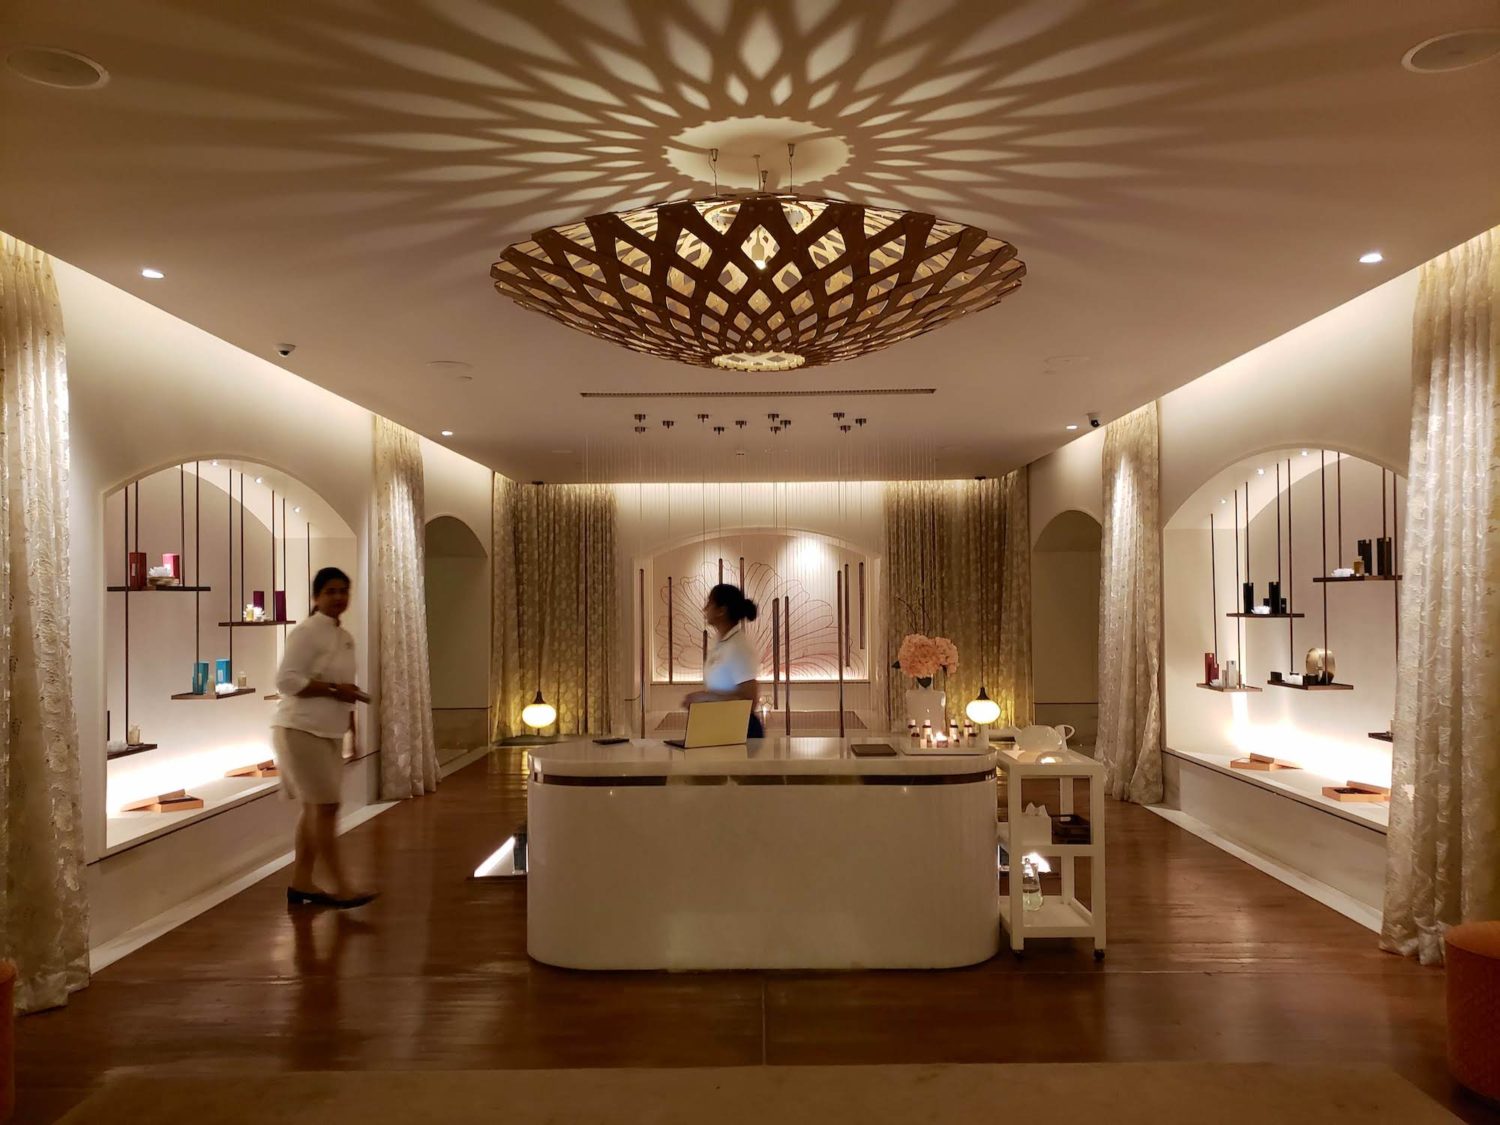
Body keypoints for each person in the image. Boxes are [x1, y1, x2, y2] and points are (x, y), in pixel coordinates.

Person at [273, 566, 376, 909]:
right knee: (327, 807)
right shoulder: (306, 633)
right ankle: (341, 886)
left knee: (315, 808)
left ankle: (301, 883)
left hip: (328, 731)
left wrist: (352, 731)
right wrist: (334, 689)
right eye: (330, 591)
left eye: (343, 591)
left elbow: (345, 689)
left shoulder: (344, 637)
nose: (338, 597)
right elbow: (286, 681)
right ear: (316, 597)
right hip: (300, 729)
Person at [684, 583, 764, 739]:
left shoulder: (739, 646)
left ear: (722, 610)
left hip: (741, 729)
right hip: (723, 724)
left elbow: (749, 700)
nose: (705, 609)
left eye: (709, 603)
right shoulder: (719, 642)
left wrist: (705, 697)